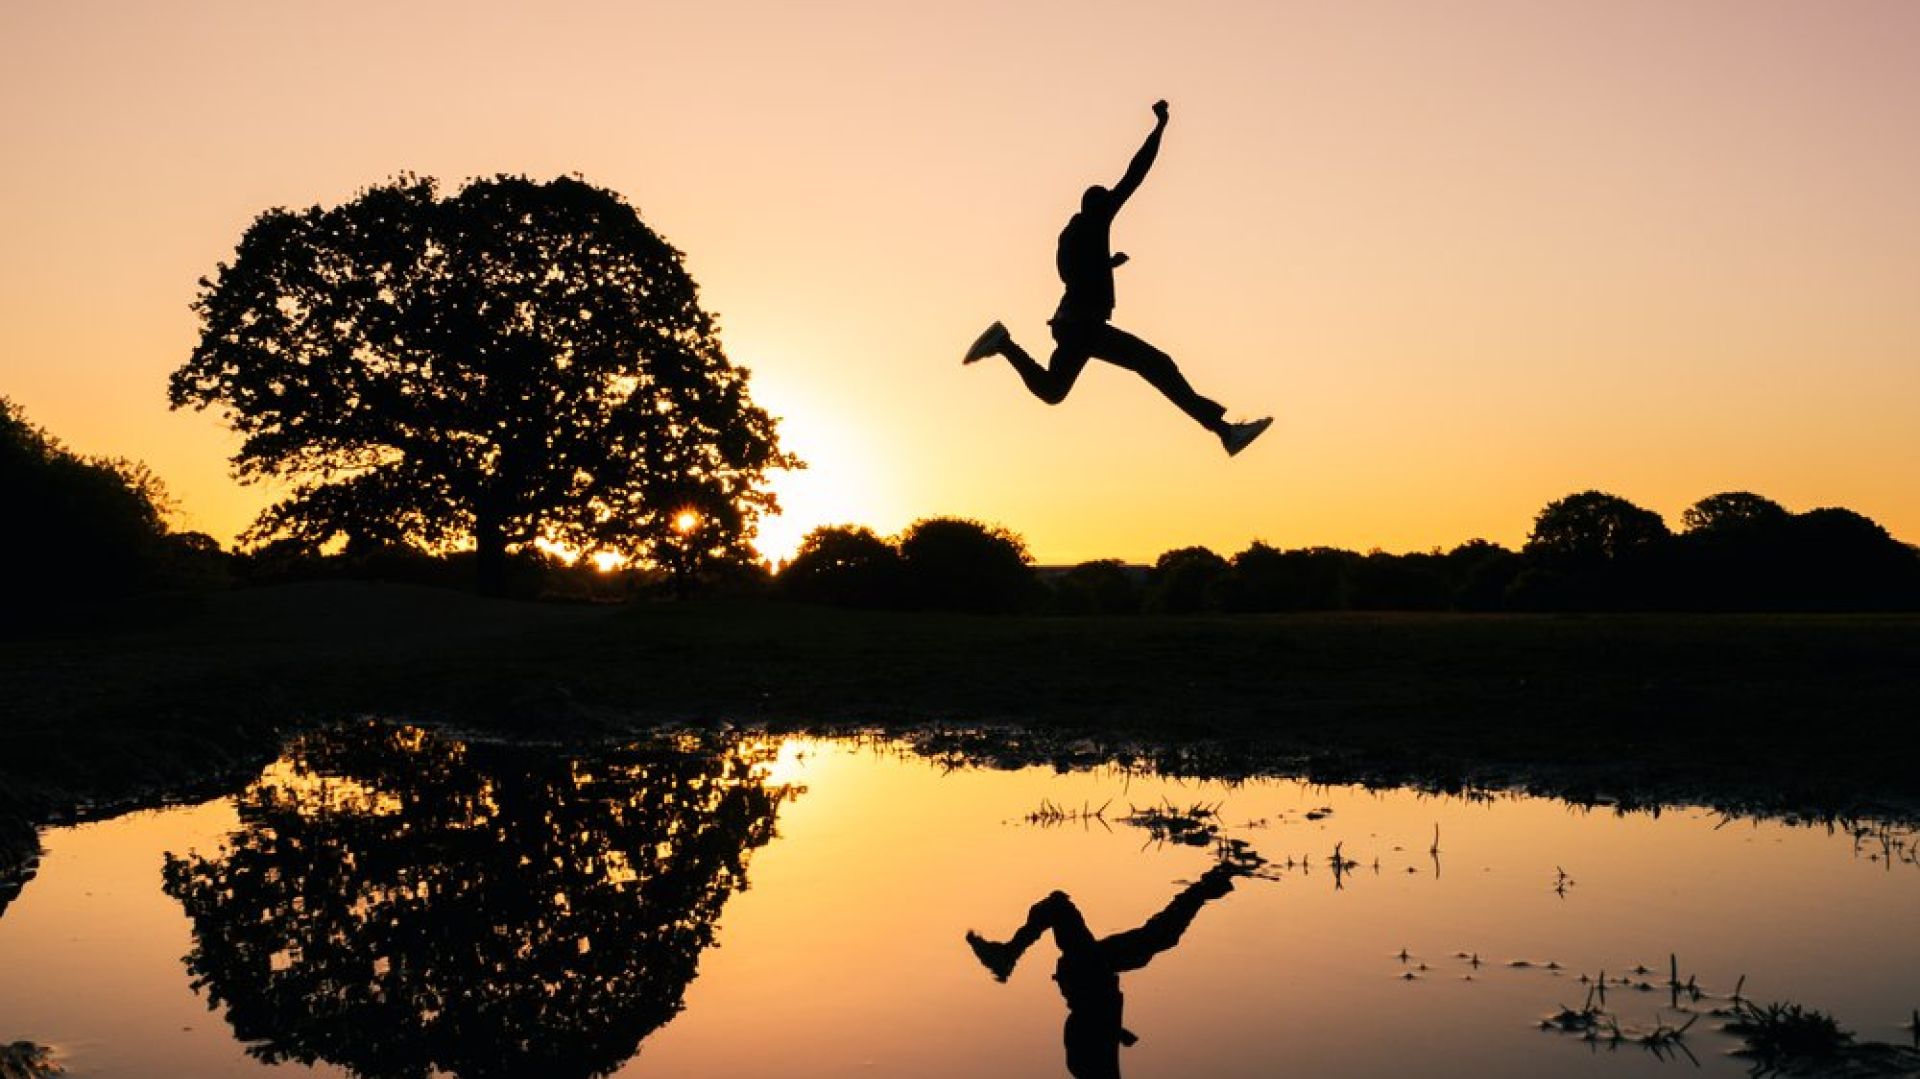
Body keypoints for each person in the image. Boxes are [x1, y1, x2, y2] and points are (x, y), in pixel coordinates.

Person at [964, 100, 1272, 456]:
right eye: (1107, 200)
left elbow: (1070, 274)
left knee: (1053, 390)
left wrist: (1106, 264)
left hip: (1073, 324)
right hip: (1083, 326)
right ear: (1097, 206)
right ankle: (1225, 432)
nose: (1113, 201)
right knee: (1156, 364)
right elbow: (1134, 175)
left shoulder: (1072, 234)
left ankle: (1003, 344)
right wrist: (1159, 128)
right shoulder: (1096, 220)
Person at [964, 863, 1240, 1079]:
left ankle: (1008, 955)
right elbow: (1086, 1028)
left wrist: (1112, 1030)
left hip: (1088, 974)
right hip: (1092, 975)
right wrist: (1115, 1031)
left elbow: (1084, 1027)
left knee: (1063, 907)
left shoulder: (1086, 1066)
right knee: (1155, 936)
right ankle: (1207, 886)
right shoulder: (1088, 1066)